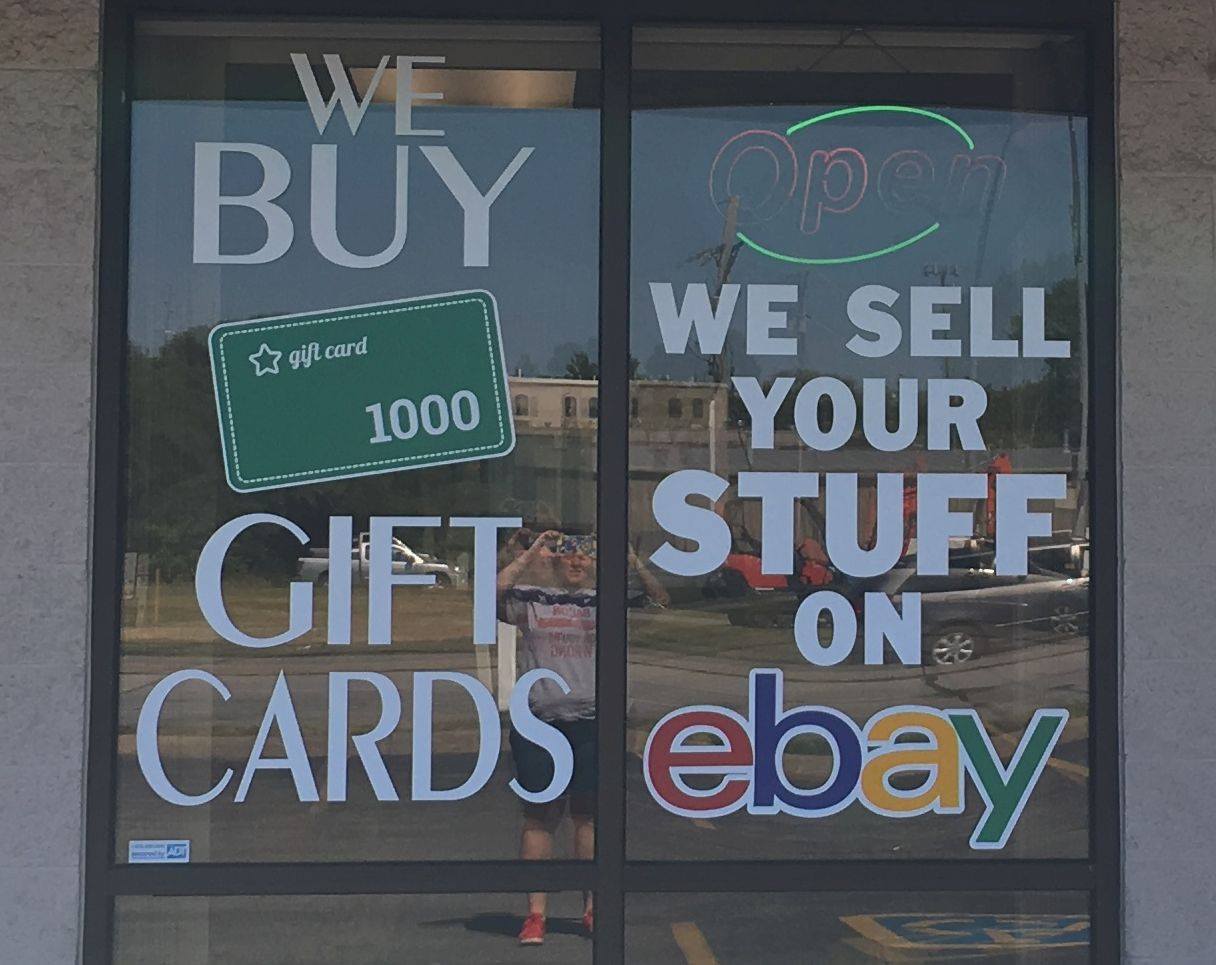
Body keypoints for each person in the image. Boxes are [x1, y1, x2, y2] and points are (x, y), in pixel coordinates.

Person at [497, 528, 668, 946]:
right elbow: (493, 593)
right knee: (539, 817)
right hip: (540, 720)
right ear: (555, 559)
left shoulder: (603, 600)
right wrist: (530, 552)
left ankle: (593, 907)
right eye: (568, 554)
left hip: (593, 719)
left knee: (588, 815)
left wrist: (630, 560)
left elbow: (660, 599)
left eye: (586, 555)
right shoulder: (534, 600)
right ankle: (536, 914)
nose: (577, 561)